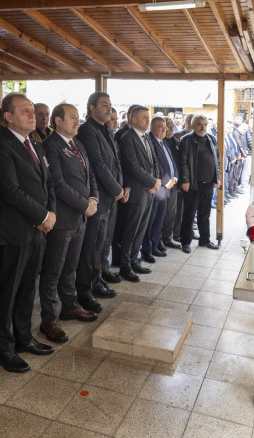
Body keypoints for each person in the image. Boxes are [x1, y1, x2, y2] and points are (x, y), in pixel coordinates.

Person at [0, 93, 56, 373]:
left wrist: (50, 212)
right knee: (8, 293)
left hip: (37, 230)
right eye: (24, 111)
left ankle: (24, 337)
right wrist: (41, 216)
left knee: (28, 289)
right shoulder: (0, 146)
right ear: (8, 116)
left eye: (32, 110)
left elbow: (47, 182)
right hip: (14, 232)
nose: (31, 114)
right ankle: (3, 349)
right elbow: (10, 191)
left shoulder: (35, 144)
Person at [38, 103, 100, 344]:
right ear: (58, 121)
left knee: (70, 266)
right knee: (53, 269)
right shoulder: (50, 146)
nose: (77, 121)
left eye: (77, 117)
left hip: (80, 218)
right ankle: (48, 318)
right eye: (72, 118)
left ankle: (70, 305)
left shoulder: (77, 144)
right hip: (63, 218)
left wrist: (93, 197)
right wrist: (84, 204)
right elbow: (57, 183)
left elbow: (90, 174)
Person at [77, 92, 126, 304]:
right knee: (90, 246)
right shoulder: (88, 131)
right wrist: (117, 189)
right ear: (91, 108)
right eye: (104, 105)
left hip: (109, 196)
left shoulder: (106, 129)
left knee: (100, 244)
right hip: (97, 196)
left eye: (110, 105)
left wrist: (121, 186)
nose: (108, 109)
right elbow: (98, 164)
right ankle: (85, 289)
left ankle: (96, 280)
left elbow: (115, 161)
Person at [117, 105, 160, 281]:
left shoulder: (145, 136)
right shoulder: (126, 137)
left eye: (147, 117)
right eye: (143, 117)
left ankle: (135, 260)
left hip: (148, 189)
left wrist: (156, 182)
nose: (147, 120)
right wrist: (151, 182)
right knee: (131, 229)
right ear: (132, 118)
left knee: (141, 228)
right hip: (136, 189)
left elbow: (154, 161)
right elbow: (132, 166)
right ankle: (125, 266)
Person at [179, 115, 220, 253]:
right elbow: (183, 162)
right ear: (192, 125)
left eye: (205, 124)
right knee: (189, 215)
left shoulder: (211, 138)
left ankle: (204, 240)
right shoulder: (186, 140)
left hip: (208, 183)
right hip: (193, 184)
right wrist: (185, 180)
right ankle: (185, 242)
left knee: (205, 214)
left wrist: (217, 177)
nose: (202, 127)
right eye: (199, 124)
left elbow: (216, 160)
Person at [142, 115, 178, 261]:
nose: (164, 129)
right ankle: (147, 249)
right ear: (152, 128)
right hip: (157, 188)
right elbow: (153, 166)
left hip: (166, 187)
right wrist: (164, 183)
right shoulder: (150, 142)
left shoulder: (163, 142)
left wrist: (175, 177)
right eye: (160, 127)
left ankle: (155, 245)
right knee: (151, 221)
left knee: (159, 220)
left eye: (165, 127)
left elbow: (171, 164)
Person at [161, 117, 182, 250]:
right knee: (162, 213)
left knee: (171, 213)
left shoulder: (175, 141)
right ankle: (160, 239)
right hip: (163, 184)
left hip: (174, 183)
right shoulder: (160, 142)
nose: (170, 128)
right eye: (167, 126)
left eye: (172, 125)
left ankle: (168, 237)